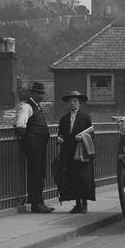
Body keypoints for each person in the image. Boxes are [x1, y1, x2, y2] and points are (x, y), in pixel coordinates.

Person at [14, 82, 55, 213]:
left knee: (40, 173)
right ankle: (35, 203)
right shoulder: (27, 107)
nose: (41, 95)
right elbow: (20, 126)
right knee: (34, 174)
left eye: (42, 93)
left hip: (40, 145)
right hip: (34, 146)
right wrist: (30, 141)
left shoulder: (36, 107)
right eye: (38, 93)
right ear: (32, 93)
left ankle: (40, 201)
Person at [57, 90, 95, 214]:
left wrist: (82, 138)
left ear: (79, 104)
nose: (72, 104)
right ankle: (77, 204)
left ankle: (84, 203)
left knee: (82, 178)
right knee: (72, 177)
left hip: (81, 152)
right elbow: (60, 134)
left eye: (75, 101)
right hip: (68, 152)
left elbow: (91, 135)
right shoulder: (64, 119)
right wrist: (59, 139)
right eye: (70, 102)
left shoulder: (85, 118)